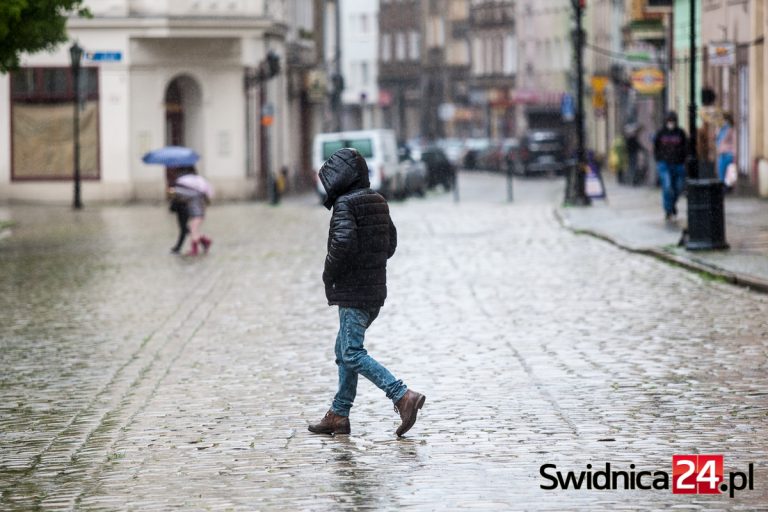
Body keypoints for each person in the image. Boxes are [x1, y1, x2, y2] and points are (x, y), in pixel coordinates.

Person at [308, 148, 425, 437]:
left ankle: (402, 395)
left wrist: (329, 274)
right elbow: (390, 244)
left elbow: (342, 244)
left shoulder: (346, 204)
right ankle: (339, 413)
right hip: (373, 291)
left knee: (351, 352)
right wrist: (371, 263)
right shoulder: (378, 200)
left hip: (353, 291)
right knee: (344, 350)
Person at [653, 112, 688, 221]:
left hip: (678, 164)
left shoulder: (681, 133)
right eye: (669, 121)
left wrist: (683, 158)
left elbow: (686, 146)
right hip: (664, 164)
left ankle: (672, 205)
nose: (671, 123)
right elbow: (656, 147)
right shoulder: (661, 133)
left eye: (672, 121)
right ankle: (668, 210)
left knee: (678, 187)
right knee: (667, 187)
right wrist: (659, 159)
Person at [171, 166, 213, 256]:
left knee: (193, 229)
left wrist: (174, 192)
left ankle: (195, 249)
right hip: (196, 213)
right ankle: (205, 241)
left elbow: (182, 194)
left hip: (197, 213)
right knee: (193, 229)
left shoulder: (194, 192)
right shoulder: (198, 188)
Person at [716, 112, 736, 184]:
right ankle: (723, 190)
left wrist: (734, 155)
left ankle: (726, 190)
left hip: (728, 154)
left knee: (727, 176)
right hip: (722, 154)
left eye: (722, 119)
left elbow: (734, 142)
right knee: (721, 175)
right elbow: (718, 141)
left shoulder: (730, 129)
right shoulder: (721, 129)